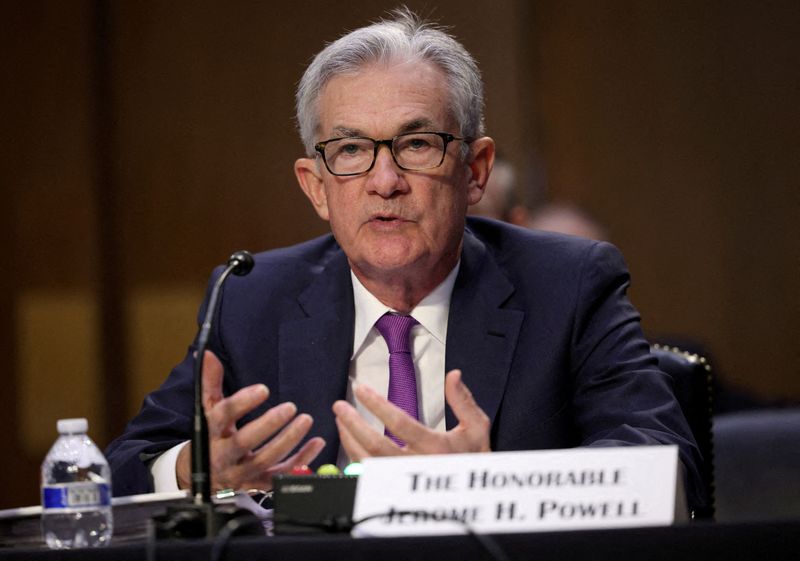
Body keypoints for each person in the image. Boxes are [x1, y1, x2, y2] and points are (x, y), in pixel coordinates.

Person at [105, 8, 706, 511]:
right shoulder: (252, 297)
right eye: (350, 150)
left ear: (474, 172)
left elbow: (669, 466)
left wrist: (491, 485)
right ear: (316, 187)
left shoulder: (568, 285)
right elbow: (119, 470)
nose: (384, 181)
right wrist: (195, 469)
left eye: (416, 144)